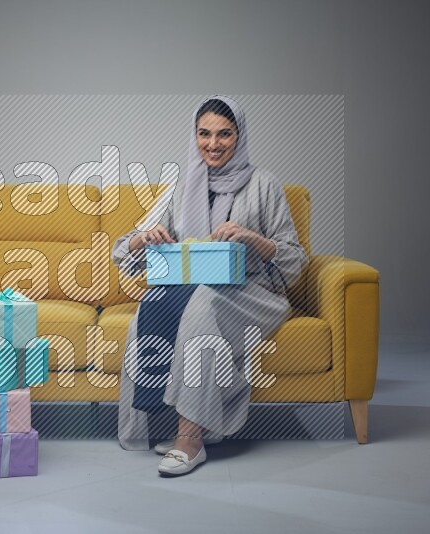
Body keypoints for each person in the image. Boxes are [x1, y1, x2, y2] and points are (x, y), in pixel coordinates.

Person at [111, 95, 308, 476]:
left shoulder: (264, 184)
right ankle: (148, 426)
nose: (213, 144)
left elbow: (294, 260)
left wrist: (251, 236)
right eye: (204, 134)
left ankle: (191, 438)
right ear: (194, 135)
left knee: (201, 306)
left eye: (224, 134)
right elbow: (124, 252)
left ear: (240, 135)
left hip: (254, 293)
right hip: (195, 288)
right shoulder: (183, 187)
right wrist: (143, 237)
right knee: (149, 310)